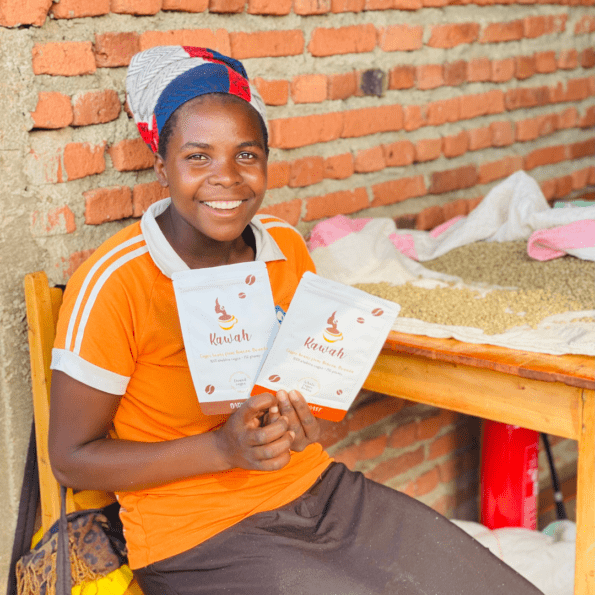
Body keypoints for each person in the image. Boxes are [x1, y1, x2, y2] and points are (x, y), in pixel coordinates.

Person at [49, 46, 542, 595]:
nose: (227, 179)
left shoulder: (281, 245)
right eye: (198, 157)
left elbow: (308, 386)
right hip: (197, 538)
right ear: (162, 165)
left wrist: (311, 421)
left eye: (246, 155)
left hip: (317, 492)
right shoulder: (116, 280)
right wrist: (221, 450)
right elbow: (72, 460)